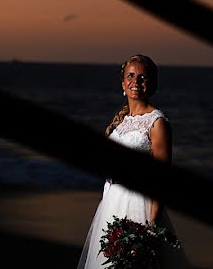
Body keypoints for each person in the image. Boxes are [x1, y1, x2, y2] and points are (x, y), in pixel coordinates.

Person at [76, 54, 190, 269]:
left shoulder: (157, 122)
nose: (136, 82)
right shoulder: (121, 121)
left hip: (138, 206)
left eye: (142, 77)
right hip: (111, 203)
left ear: (153, 84)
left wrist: (151, 226)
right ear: (122, 82)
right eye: (131, 76)